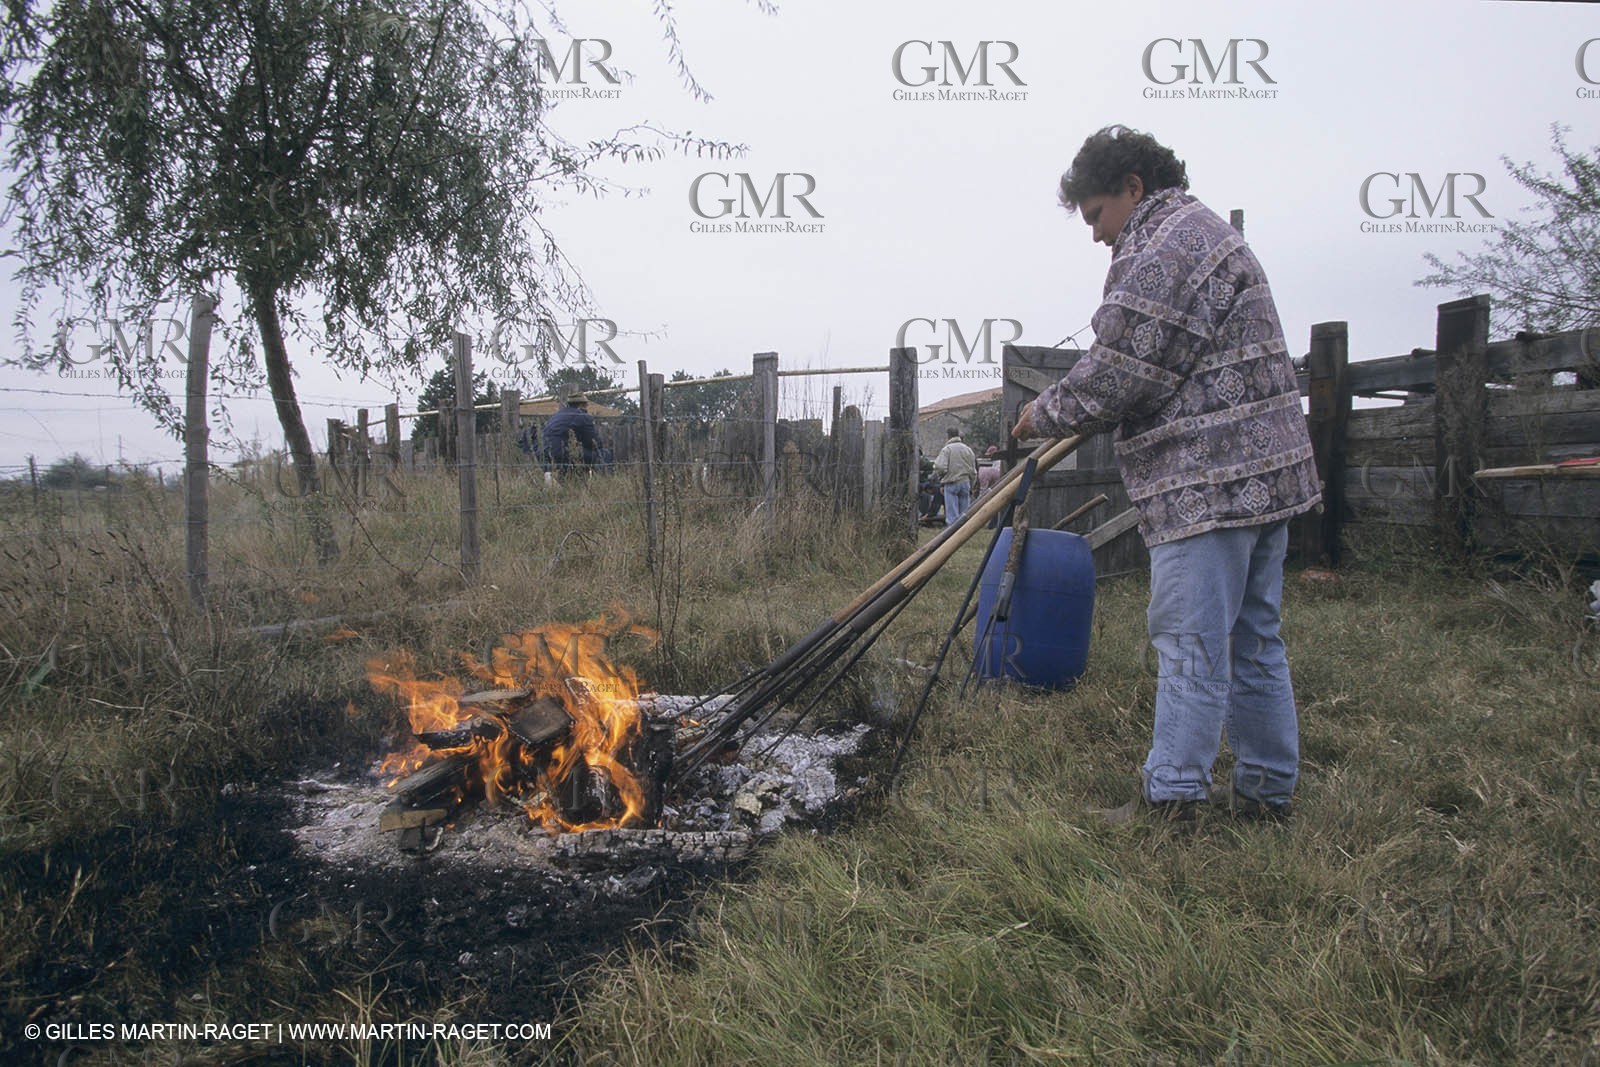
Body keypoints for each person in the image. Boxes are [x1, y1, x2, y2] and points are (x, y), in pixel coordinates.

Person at [1012, 125, 1321, 824]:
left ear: (1133, 188)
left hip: (1209, 481)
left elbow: (1120, 369)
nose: (1094, 234)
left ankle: (1174, 799)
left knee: (1190, 643)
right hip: (1267, 474)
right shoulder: (1205, 232)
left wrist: (1041, 413)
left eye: (1096, 215)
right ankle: (1266, 793)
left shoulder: (1164, 245)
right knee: (1254, 637)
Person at [540, 392, 605, 475]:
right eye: (586, 405)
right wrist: (599, 445)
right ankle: (598, 480)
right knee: (601, 453)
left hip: (546, 452)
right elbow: (593, 442)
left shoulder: (557, 415)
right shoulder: (582, 416)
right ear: (582, 405)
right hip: (563, 453)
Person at [932, 427, 977, 528]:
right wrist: (972, 485)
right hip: (965, 482)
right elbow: (973, 471)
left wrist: (941, 479)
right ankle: (963, 533)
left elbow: (940, 467)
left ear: (948, 436)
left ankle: (952, 535)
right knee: (964, 513)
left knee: (952, 515)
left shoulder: (947, 449)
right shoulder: (968, 449)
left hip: (951, 482)